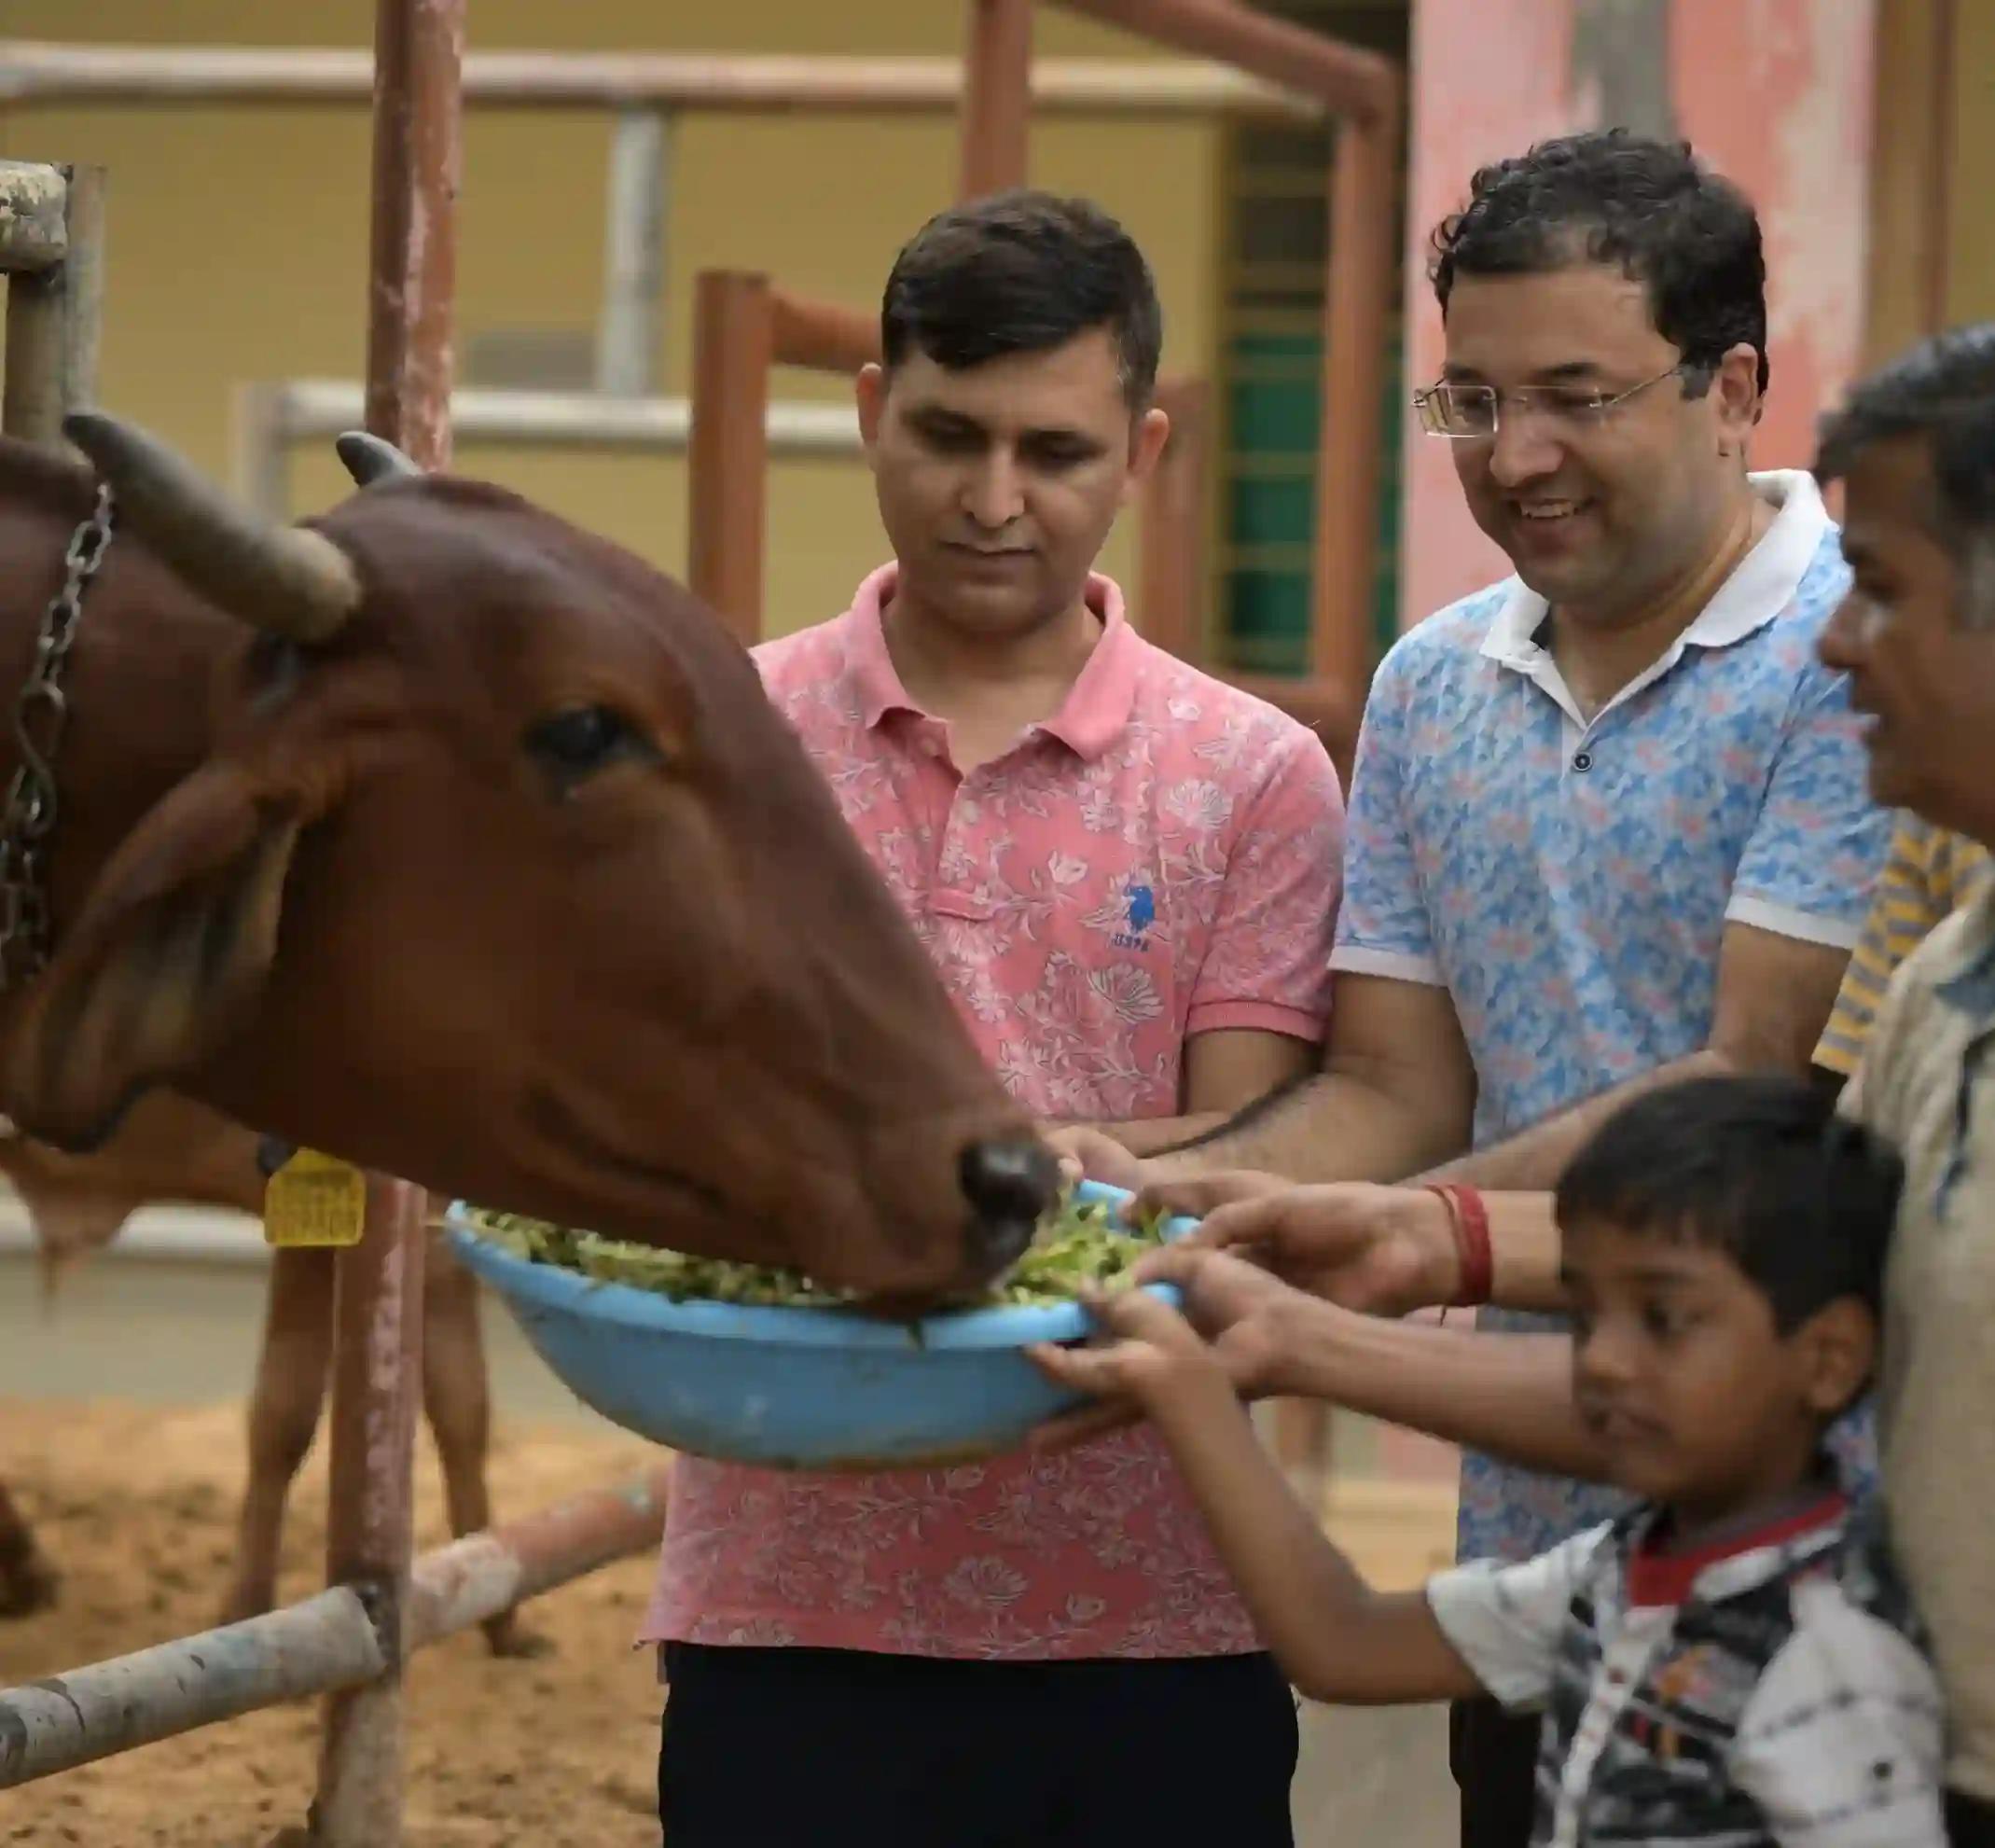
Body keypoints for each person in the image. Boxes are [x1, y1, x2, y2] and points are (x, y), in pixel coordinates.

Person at [1063, 129, 1891, 1844]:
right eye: (1469, 402)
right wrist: (1140, 1193)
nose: (1514, 457)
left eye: (1574, 397)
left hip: (1813, 1551)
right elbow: (1389, 1085)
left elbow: (1750, 1086)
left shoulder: (1861, 656)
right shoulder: (1431, 686)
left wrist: (1394, 1237)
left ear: (1729, 385)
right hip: (1530, 1543)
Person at [642, 190, 1347, 1848]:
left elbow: (1248, 1147)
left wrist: (985, 1163)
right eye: (946, 434)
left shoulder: (1249, 773)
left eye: (1054, 452)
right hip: (783, 1593)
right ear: (868, 408)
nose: (991, 499)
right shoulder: (723, 732)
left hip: (1155, 1600)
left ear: (1142, 451)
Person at [1035, 1074, 1945, 1847]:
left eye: (1664, 1318)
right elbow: (1340, 1640)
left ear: (1828, 1356)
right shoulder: (1610, 1574)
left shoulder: (1839, 1661)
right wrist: (1196, 1391)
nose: (1605, 1360)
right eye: (1587, 1314)